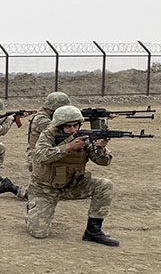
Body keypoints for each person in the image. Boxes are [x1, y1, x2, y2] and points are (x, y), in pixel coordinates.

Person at [26, 105, 118, 246]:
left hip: (72, 185)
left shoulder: (84, 137)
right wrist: (68, 147)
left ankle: (93, 232)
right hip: (45, 190)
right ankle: (33, 208)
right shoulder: (48, 135)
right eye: (68, 126)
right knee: (39, 233)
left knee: (104, 185)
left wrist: (101, 148)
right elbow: (39, 156)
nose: (73, 130)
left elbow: (103, 162)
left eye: (76, 125)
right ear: (59, 126)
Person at [0, 91, 69, 200]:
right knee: (47, 195)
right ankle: (11, 187)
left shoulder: (48, 116)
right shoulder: (42, 119)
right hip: (38, 158)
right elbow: (61, 132)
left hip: (46, 154)